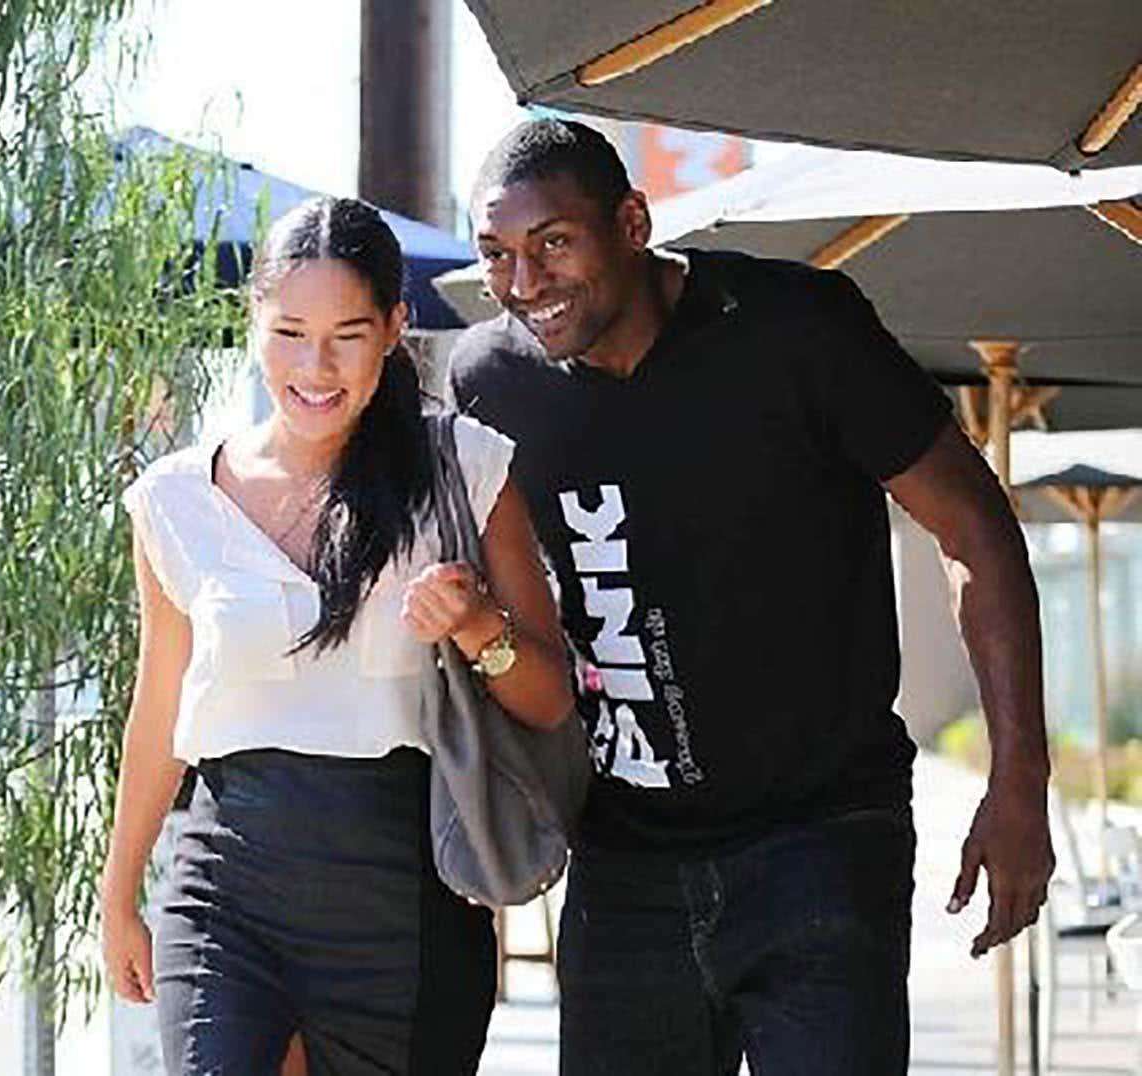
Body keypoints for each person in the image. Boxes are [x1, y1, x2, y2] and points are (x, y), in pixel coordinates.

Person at [448, 119, 1056, 1075]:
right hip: (625, 863)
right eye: (496, 254)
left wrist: (1020, 779)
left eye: (553, 242)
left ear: (633, 223)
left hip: (822, 839)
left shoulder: (796, 328)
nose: (524, 283)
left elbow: (976, 528)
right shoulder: (490, 384)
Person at [99, 196, 573, 1075]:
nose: (315, 368)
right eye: (289, 332)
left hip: (407, 897)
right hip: (226, 888)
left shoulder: (464, 467)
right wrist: (119, 892)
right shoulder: (175, 500)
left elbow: (549, 699)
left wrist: (477, 625)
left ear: (393, 327)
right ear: (253, 321)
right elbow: (158, 706)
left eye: (347, 335)